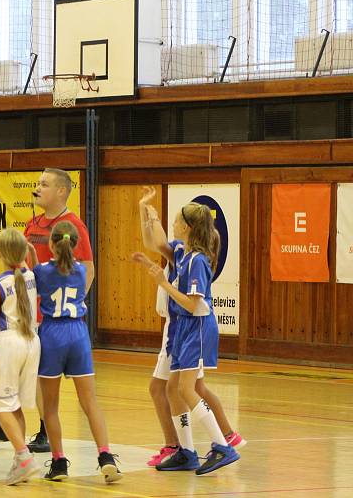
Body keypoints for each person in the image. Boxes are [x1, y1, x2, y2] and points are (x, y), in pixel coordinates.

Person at [0, 167, 92, 454]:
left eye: (44, 184)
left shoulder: (73, 226)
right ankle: (4, 423)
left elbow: (88, 271)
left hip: (50, 316)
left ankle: (43, 432)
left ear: (61, 191)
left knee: (41, 378)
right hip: (24, 311)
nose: (37, 188)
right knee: (7, 368)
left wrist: (69, 307)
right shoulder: (32, 224)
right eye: (37, 183)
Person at [136, 187, 245, 467]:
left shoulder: (196, 261)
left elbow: (194, 305)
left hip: (195, 326)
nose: (172, 225)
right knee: (174, 389)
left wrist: (162, 282)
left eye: (174, 221)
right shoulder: (183, 252)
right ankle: (186, 451)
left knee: (188, 389)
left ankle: (223, 444)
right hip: (183, 328)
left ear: (186, 226)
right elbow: (156, 241)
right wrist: (149, 214)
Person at [29, 221, 120, 483]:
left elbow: (38, 274)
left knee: (50, 407)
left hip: (53, 335)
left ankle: (59, 462)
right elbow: (63, 269)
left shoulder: (41, 272)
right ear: (74, 245)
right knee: (90, 402)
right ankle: (105, 456)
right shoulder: (80, 271)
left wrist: (34, 259)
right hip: (78, 334)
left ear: (50, 245)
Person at [0, 228, 40, 485]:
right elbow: (30, 265)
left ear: (0, 253)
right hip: (33, 342)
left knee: (2, 405)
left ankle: (24, 457)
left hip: (10, 342)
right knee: (15, 404)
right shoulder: (30, 276)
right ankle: (20, 461)